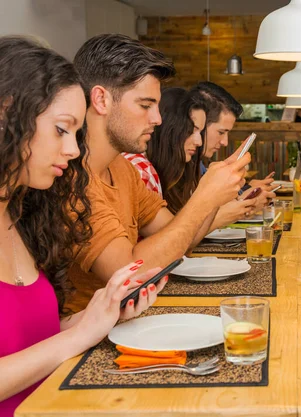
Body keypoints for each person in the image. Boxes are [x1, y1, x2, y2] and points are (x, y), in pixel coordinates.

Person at [0, 36, 166, 417]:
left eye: (76, 134)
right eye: (62, 130)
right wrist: (78, 335)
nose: (74, 150)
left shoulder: (24, 216)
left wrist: (98, 315)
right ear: (9, 115)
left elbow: (27, 339)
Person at [68, 34, 250, 312]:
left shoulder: (122, 168)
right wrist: (204, 196)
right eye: (145, 105)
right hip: (85, 345)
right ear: (101, 100)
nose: (158, 118)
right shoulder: (72, 179)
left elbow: (179, 239)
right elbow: (128, 272)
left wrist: (213, 196)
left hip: (132, 318)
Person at [124, 87, 270, 227]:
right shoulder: (139, 168)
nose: (199, 141)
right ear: (169, 129)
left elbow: (176, 233)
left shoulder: (181, 166)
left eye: (199, 132)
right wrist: (218, 205)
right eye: (192, 130)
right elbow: (174, 237)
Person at [191, 81, 276, 192]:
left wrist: (248, 189)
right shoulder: (181, 166)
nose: (225, 142)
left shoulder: (197, 164)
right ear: (199, 124)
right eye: (221, 132)